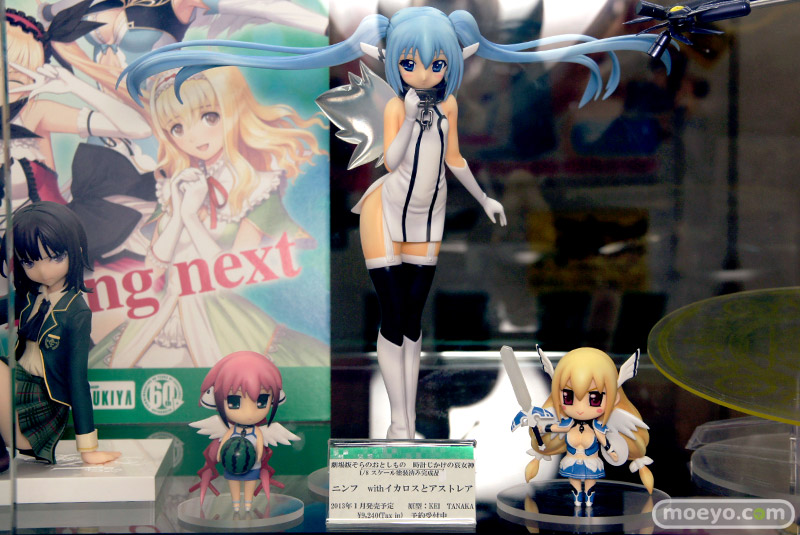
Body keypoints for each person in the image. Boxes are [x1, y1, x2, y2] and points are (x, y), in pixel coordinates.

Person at [120, 6, 670, 439]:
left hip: (431, 214)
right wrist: (406, 117)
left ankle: (409, 413)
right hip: (386, 209)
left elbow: (455, 160)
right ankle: (399, 420)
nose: (424, 73)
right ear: (396, 63)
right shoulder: (394, 106)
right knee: (393, 318)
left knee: (412, 321)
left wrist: (484, 199)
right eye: (410, 64)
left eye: (436, 64)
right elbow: (391, 158)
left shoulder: (449, 107)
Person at [90, 66, 328, 368]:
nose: (194, 136)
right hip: (158, 314)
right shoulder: (175, 184)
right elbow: (153, 268)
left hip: (218, 316)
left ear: (232, 110)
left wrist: (191, 219)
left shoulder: (257, 187)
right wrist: (179, 212)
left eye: (209, 117)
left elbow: (231, 275)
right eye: (177, 127)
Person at [0, 202, 121, 469]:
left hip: (40, 406)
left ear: (76, 251)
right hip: (14, 388)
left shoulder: (76, 313)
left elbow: (77, 381)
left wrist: (88, 449)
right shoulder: (28, 297)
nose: (43, 271)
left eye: (55, 257)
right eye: (29, 261)